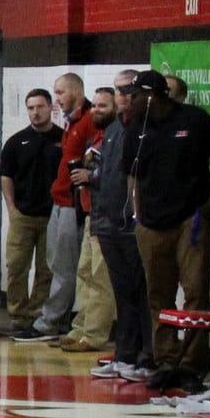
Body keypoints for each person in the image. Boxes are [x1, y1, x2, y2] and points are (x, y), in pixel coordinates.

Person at [130, 68, 210, 394]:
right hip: (151, 223)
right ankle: (166, 362)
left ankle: (190, 365)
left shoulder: (195, 120)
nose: (130, 100)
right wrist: (136, 212)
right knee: (158, 296)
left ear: (154, 95)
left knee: (195, 294)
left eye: (136, 95)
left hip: (191, 219)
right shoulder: (137, 129)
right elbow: (130, 174)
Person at [87, 76, 154, 383]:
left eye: (130, 91)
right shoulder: (112, 130)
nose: (124, 96)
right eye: (119, 91)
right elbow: (106, 180)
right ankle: (124, 354)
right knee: (122, 294)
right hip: (108, 223)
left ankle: (146, 356)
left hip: (132, 225)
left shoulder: (144, 130)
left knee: (142, 292)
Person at [48, 84, 118, 355]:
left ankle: (94, 334)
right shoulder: (98, 136)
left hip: (107, 214)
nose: (97, 110)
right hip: (90, 211)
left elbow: (114, 177)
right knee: (84, 273)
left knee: (100, 276)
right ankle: (80, 327)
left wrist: (92, 177)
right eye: (96, 105)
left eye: (104, 106)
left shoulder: (114, 137)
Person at [0, 89, 66, 337]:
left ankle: (38, 316)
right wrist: (12, 209)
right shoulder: (16, 142)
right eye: (31, 108)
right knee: (16, 267)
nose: (35, 112)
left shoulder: (63, 139)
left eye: (40, 107)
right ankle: (19, 316)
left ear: (50, 108)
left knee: (47, 269)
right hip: (23, 215)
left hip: (52, 216)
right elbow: (6, 177)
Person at [25, 73, 90, 342]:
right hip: (60, 200)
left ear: (76, 91)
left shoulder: (88, 122)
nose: (57, 99)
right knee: (55, 263)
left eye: (60, 92)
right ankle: (54, 317)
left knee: (64, 267)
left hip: (72, 203)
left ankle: (49, 322)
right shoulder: (71, 123)